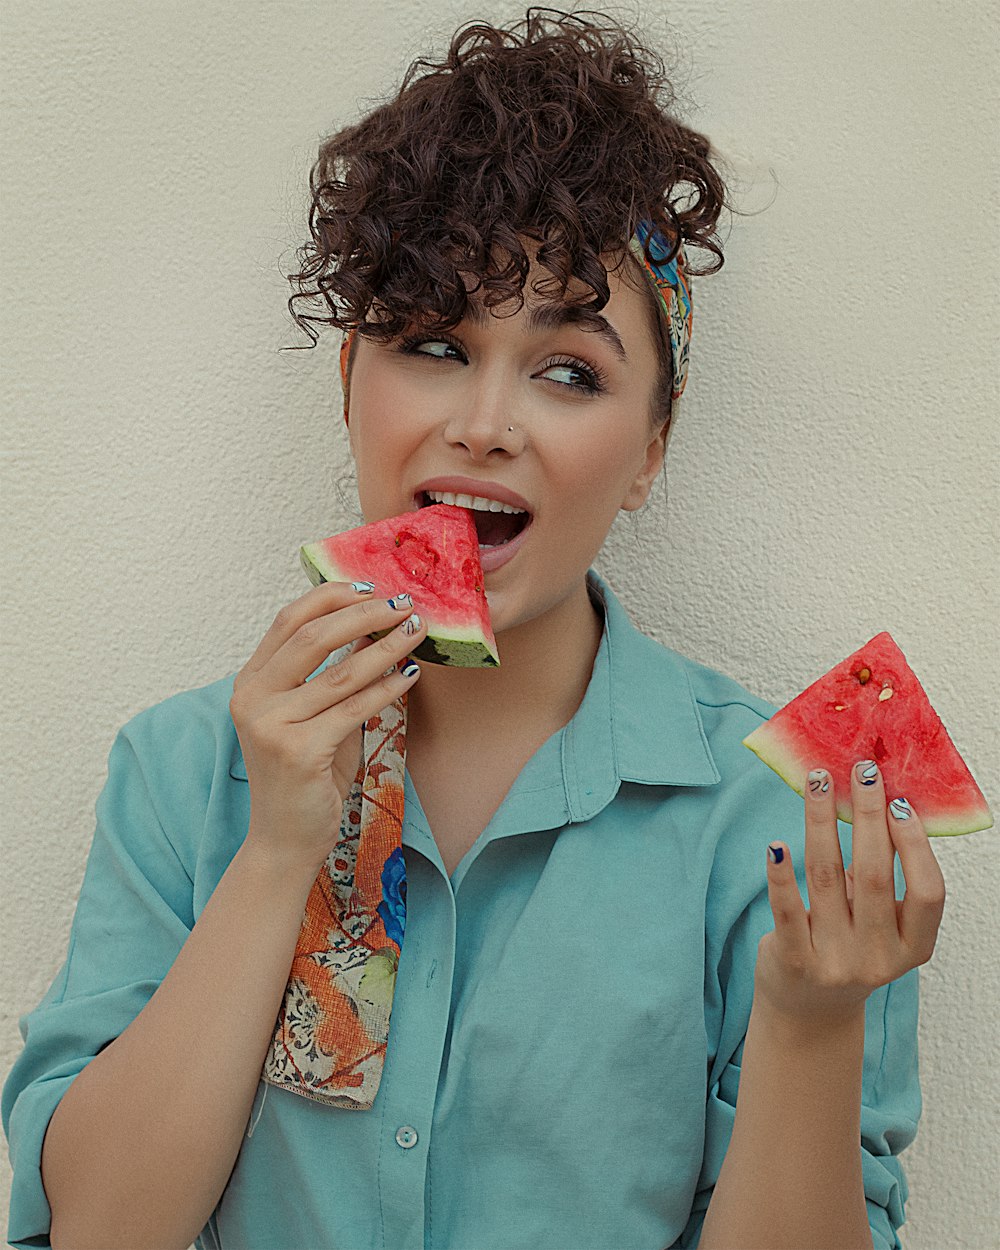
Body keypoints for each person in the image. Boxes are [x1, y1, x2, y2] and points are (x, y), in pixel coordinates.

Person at [3, 9, 941, 1250]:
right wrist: (280, 845)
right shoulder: (183, 773)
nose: (486, 423)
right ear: (349, 383)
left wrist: (816, 1020)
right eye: (435, 344)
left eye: (569, 370)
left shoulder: (778, 819)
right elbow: (101, 1230)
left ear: (650, 448)